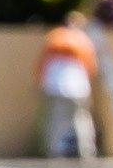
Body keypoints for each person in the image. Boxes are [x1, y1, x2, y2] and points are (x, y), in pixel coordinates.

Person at [34, 13, 99, 160]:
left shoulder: (55, 37)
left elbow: (43, 63)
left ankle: (54, 152)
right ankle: (86, 152)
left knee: (55, 121)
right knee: (81, 119)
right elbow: (91, 66)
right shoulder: (83, 41)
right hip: (78, 88)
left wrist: (40, 81)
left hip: (54, 86)